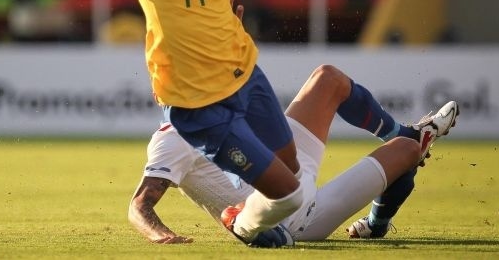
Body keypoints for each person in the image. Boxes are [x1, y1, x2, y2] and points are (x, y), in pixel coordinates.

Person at [48, 0, 319, 245]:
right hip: (197, 105)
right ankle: (240, 221)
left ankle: (256, 199)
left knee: (291, 167)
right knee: (290, 194)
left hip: (245, 77)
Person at [129, 64, 460, 244]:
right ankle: (378, 220)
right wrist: (161, 235)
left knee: (327, 78)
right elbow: (139, 205)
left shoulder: (217, 102)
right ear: (161, 95)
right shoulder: (172, 137)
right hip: (288, 218)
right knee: (408, 153)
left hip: (289, 164)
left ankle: (403, 142)